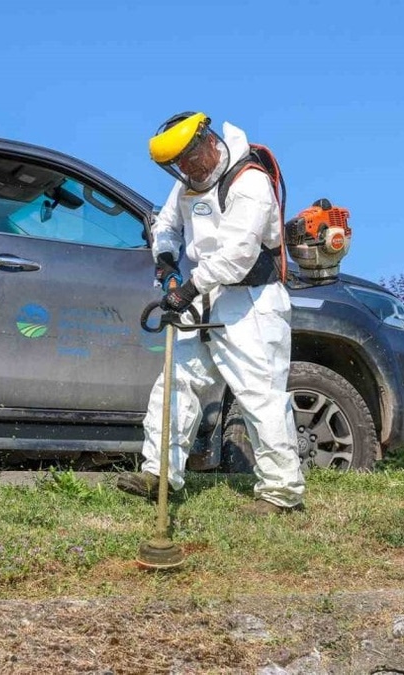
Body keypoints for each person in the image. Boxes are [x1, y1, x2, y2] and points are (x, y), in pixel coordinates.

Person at [115, 112, 305, 515]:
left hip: (250, 301)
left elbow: (237, 256)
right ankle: (158, 473)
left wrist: (186, 291)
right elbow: (166, 226)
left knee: (259, 395)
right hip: (204, 294)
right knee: (176, 383)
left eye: (190, 158)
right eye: (178, 164)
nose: (186, 169)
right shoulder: (187, 183)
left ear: (208, 141)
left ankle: (281, 493)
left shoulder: (248, 181)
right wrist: (166, 261)